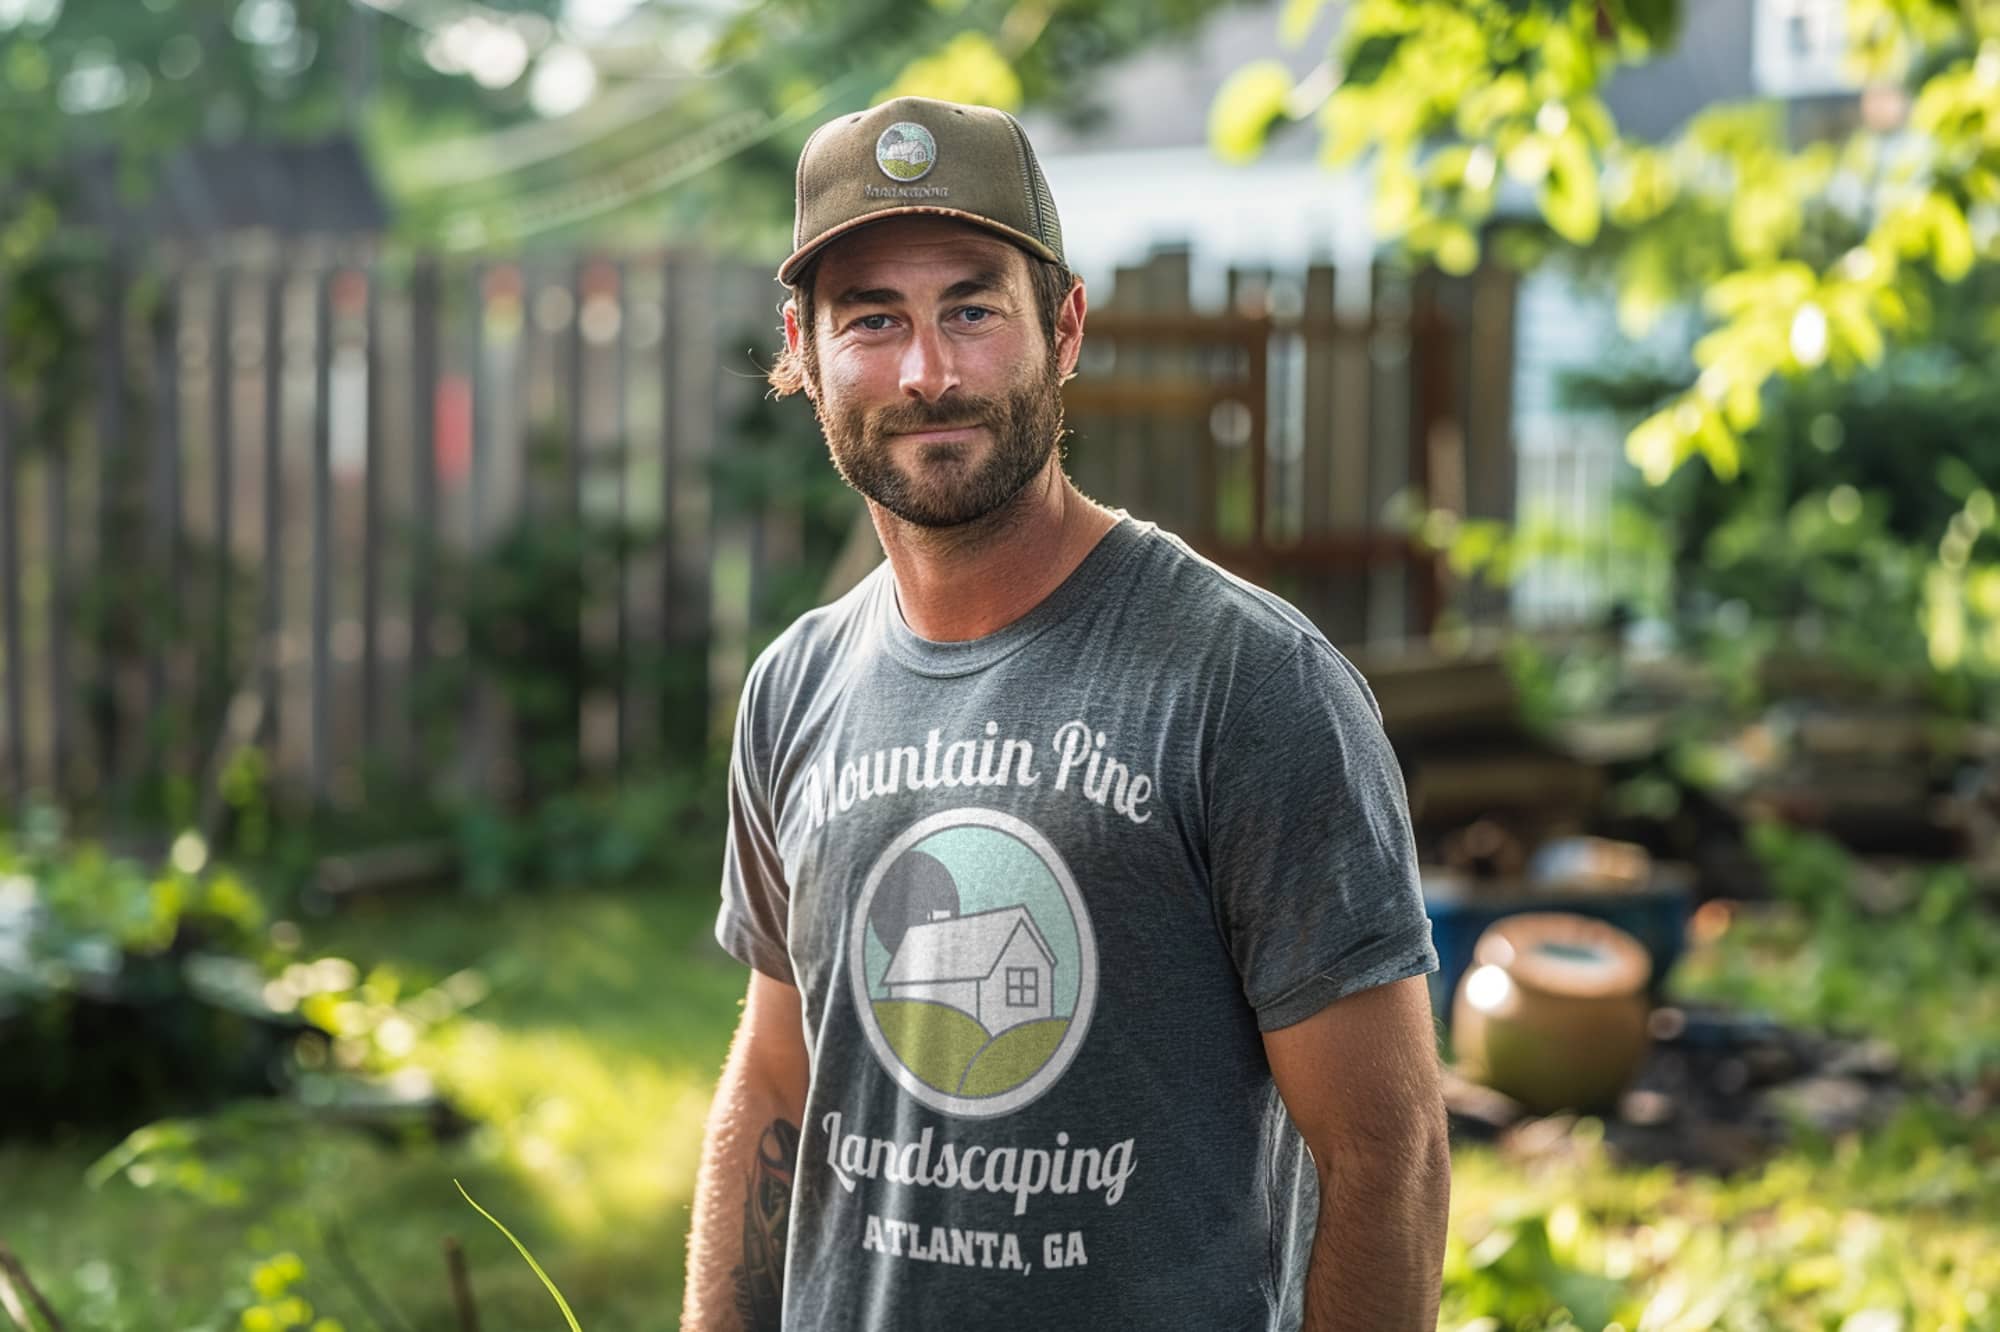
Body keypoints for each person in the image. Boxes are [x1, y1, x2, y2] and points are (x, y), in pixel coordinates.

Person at [682, 95, 1449, 1331]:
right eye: (872, 320)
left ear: (1065, 325)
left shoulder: (1245, 681)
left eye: (972, 309)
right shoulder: (795, 686)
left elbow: (1386, 1153)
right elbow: (778, 1079)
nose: (927, 371)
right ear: (805, 351)